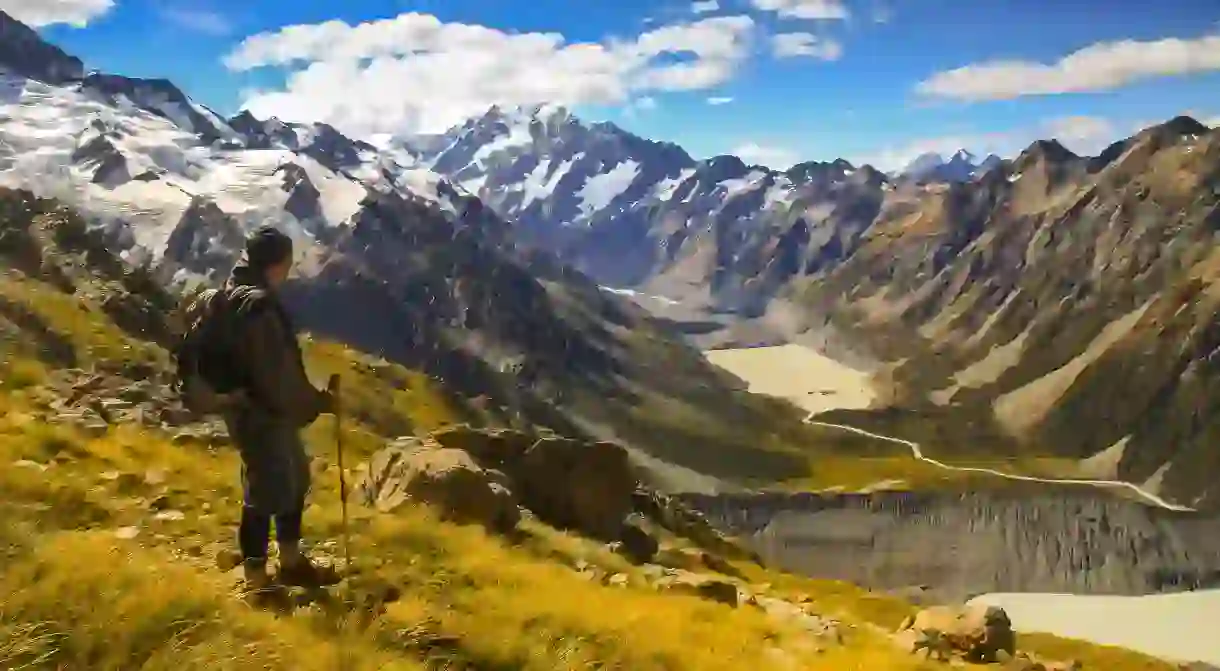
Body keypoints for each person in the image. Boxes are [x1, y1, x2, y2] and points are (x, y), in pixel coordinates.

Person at [223, 225, 337, 592]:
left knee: (292, 479)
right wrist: (318, 403)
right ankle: (256, 581)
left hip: (249, 410)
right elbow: (280, 379)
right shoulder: (259, 310)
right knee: (264, 492)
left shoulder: (235, 294)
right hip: (261, 414)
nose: (290, 271)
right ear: (275, 264)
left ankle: (289, 560)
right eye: (288, 263)